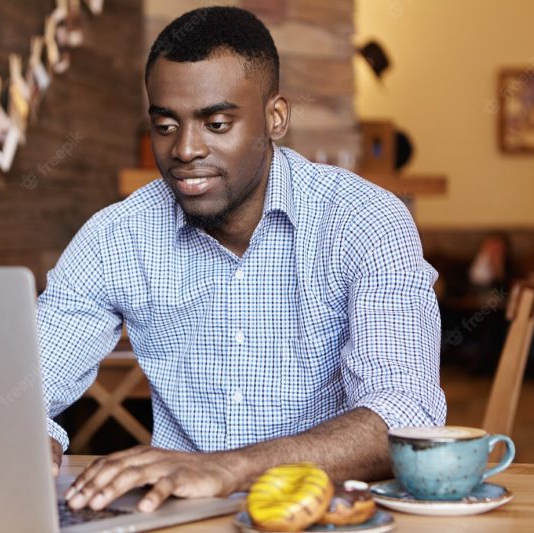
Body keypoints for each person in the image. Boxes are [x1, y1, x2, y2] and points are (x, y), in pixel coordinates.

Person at [38, 6, 446, 514]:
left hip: (329, 518)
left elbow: (405, 416)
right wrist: (25, 435)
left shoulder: (364, 222)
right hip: (177, 519)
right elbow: (25, 384)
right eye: (165, 125)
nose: (185, 149)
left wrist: (229, 467)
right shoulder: (115, 237)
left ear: (275, 117)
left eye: (216, 122)